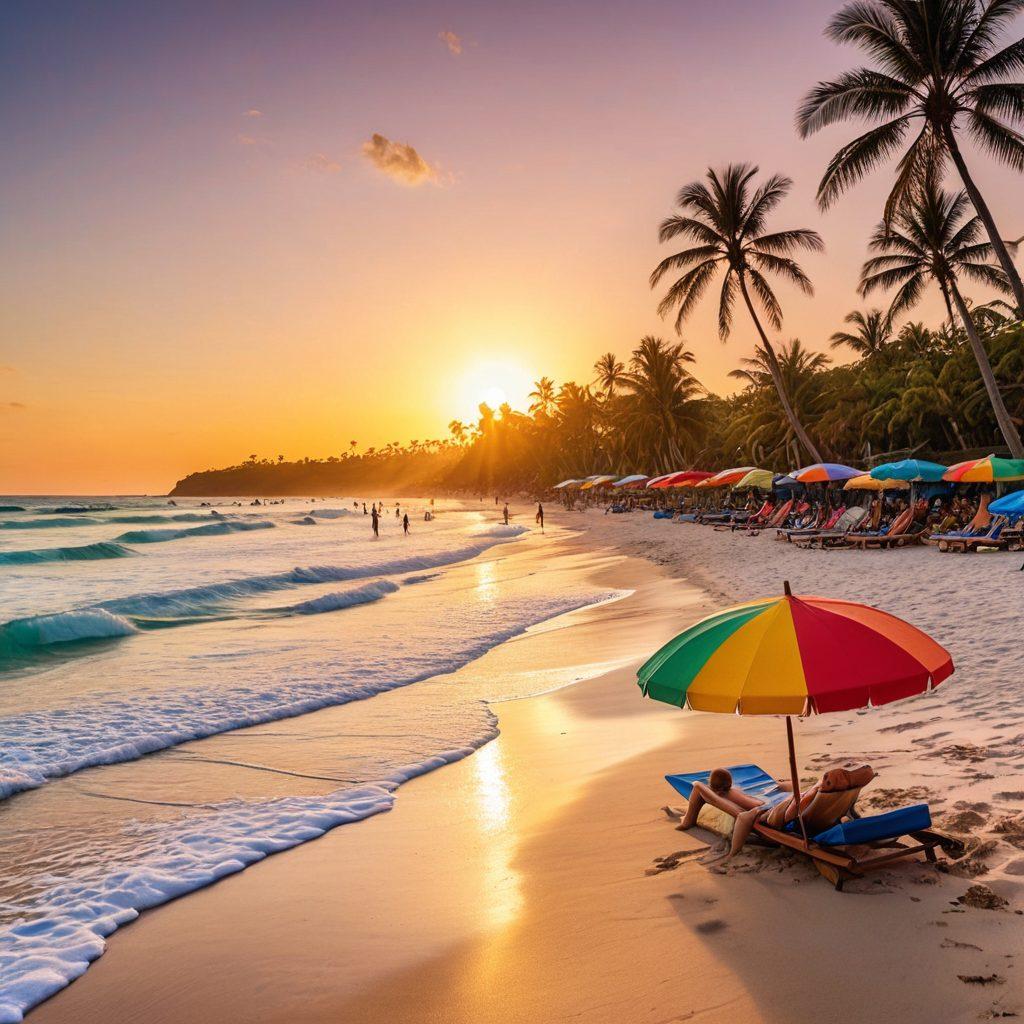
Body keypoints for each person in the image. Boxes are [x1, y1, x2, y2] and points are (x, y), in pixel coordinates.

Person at [674, 764, 874, 861]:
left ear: (717, 790)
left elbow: (744, 816)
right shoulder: (831, 794)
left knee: (697, 785)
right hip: (779, 803)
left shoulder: (726, 795)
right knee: (788, 791)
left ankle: (687, 821)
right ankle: (688, 818)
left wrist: (732, 852)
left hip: (765, 810)